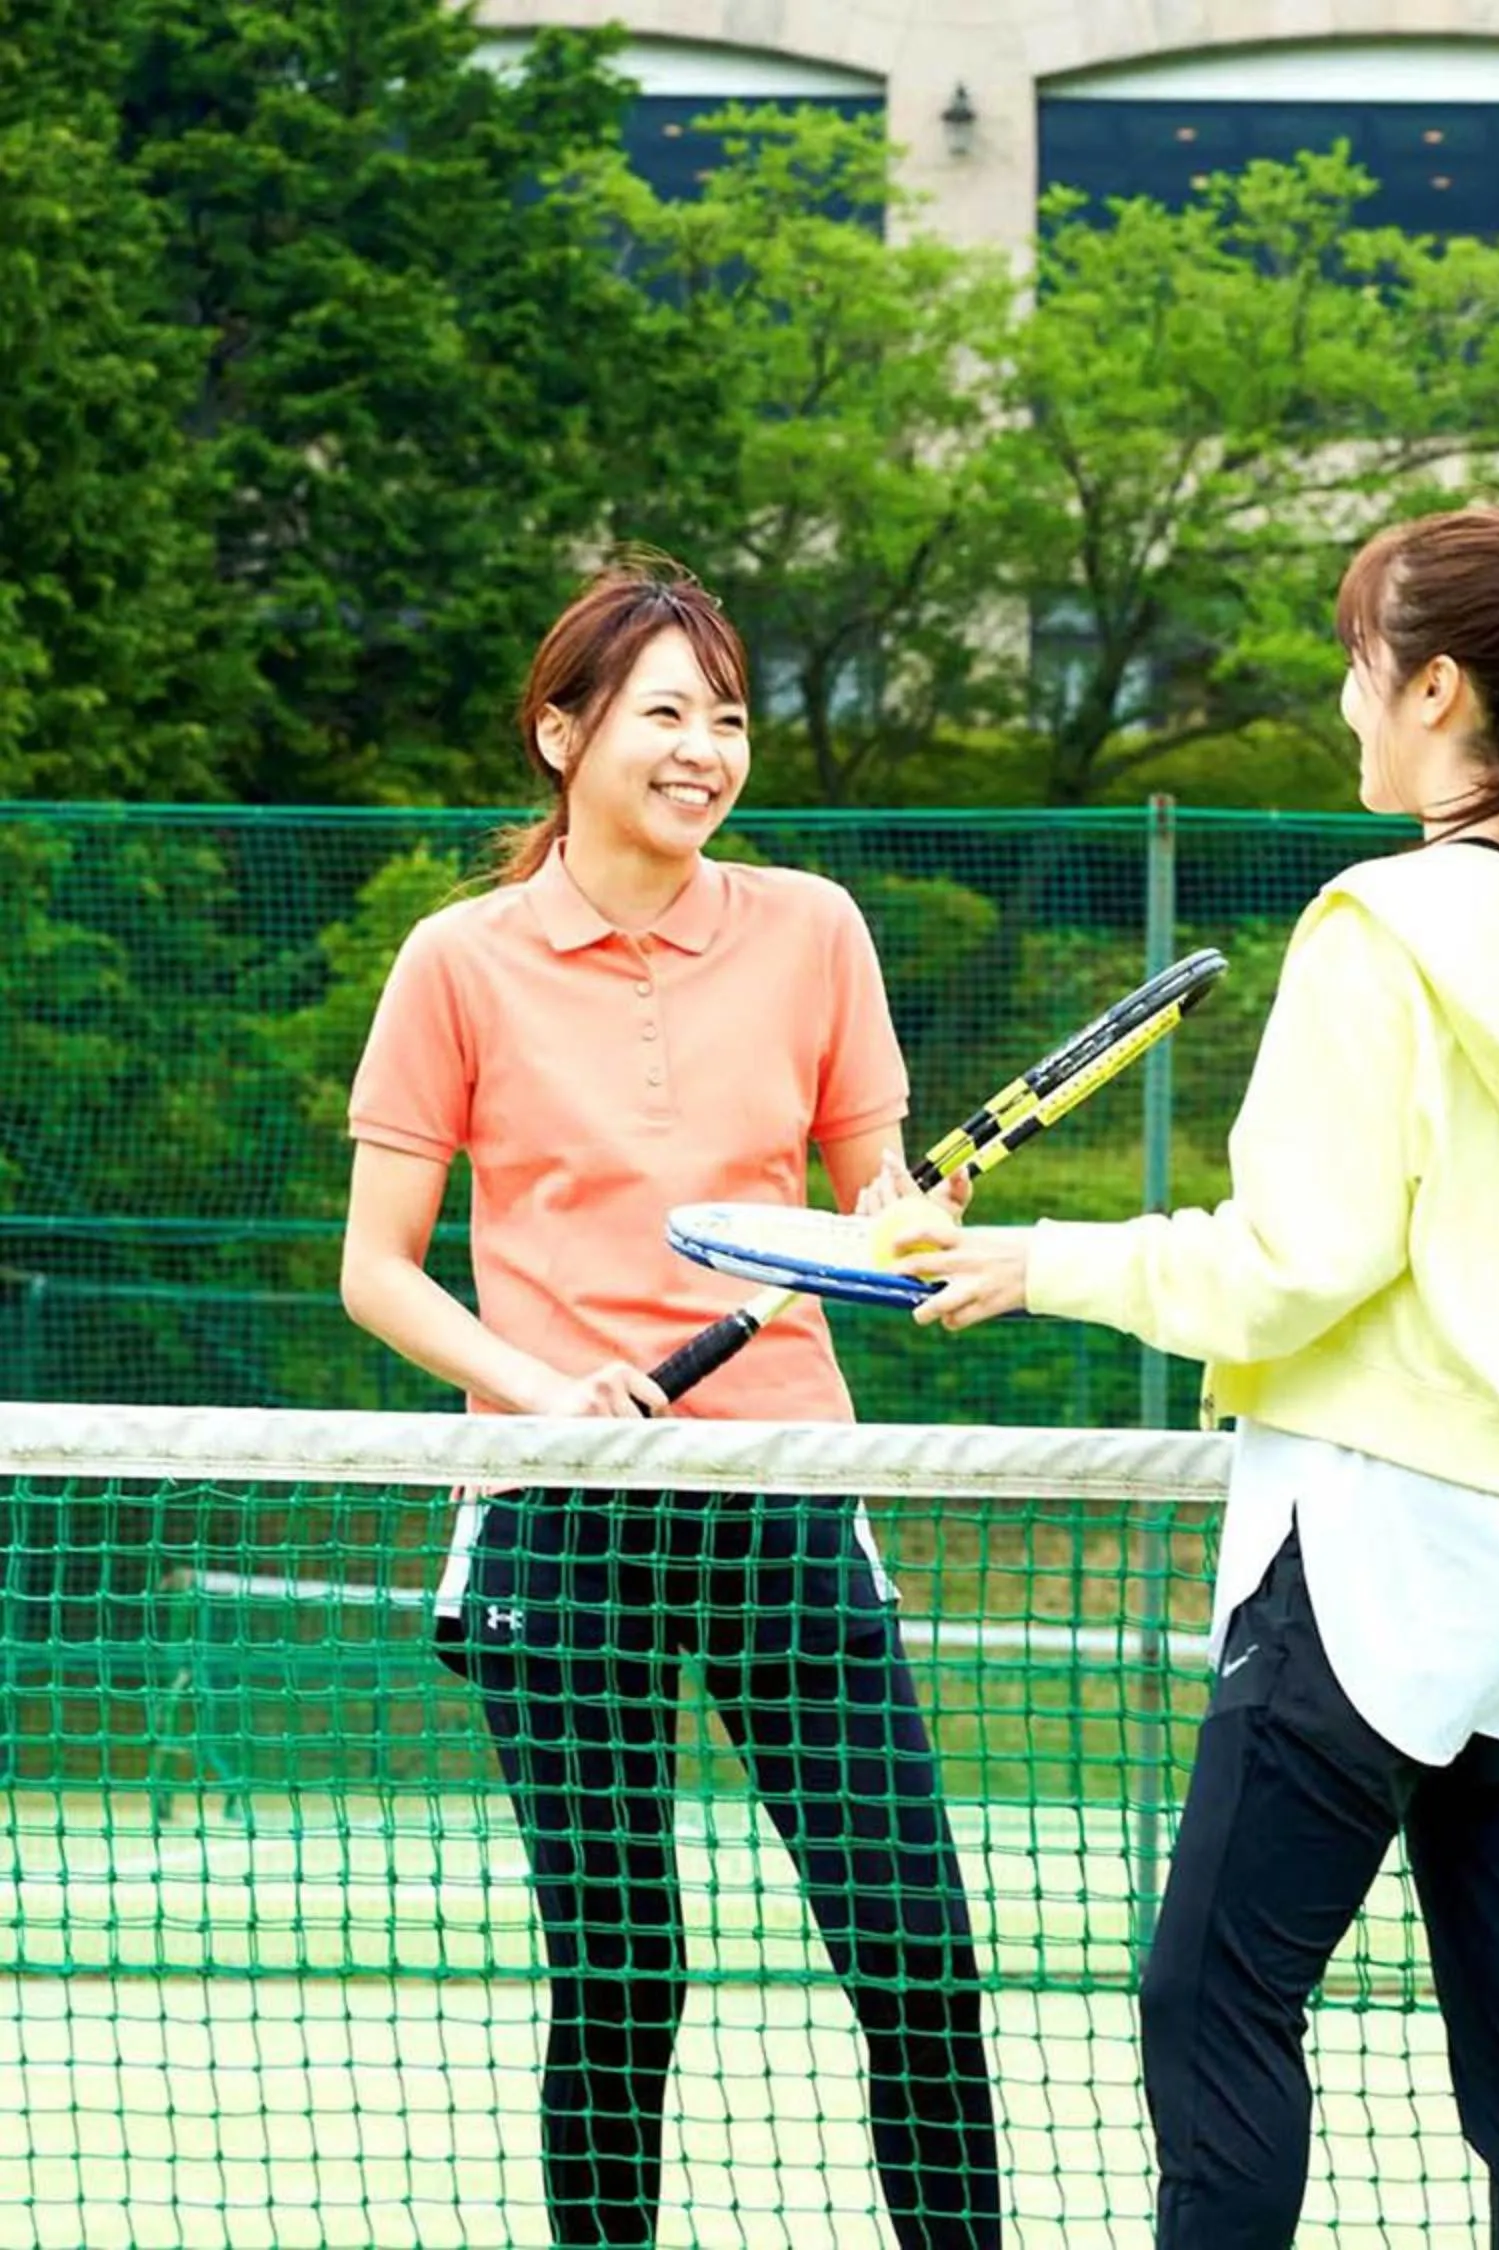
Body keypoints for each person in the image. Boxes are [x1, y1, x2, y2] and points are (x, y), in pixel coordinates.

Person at [878, 507, 1499, 2249]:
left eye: (1362, 659)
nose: (1346, 695)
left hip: (1374, 1549)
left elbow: (1298, 1259)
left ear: (1437, 684)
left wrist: (1036, 1261)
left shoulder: (1378, 923)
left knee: (1211, 2003)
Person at [338, 558, 1005, 2249]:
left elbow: (886, 1210)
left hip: (784, 1490)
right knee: (623, 1963)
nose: (705, 747)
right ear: (562, 733)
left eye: (729, 717)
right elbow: (382, 1270)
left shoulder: (814, 931)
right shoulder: (457, 961)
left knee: (918, 1948)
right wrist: (547, 1391)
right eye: (665, 712)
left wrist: (908, 1239)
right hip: (560, 1519)